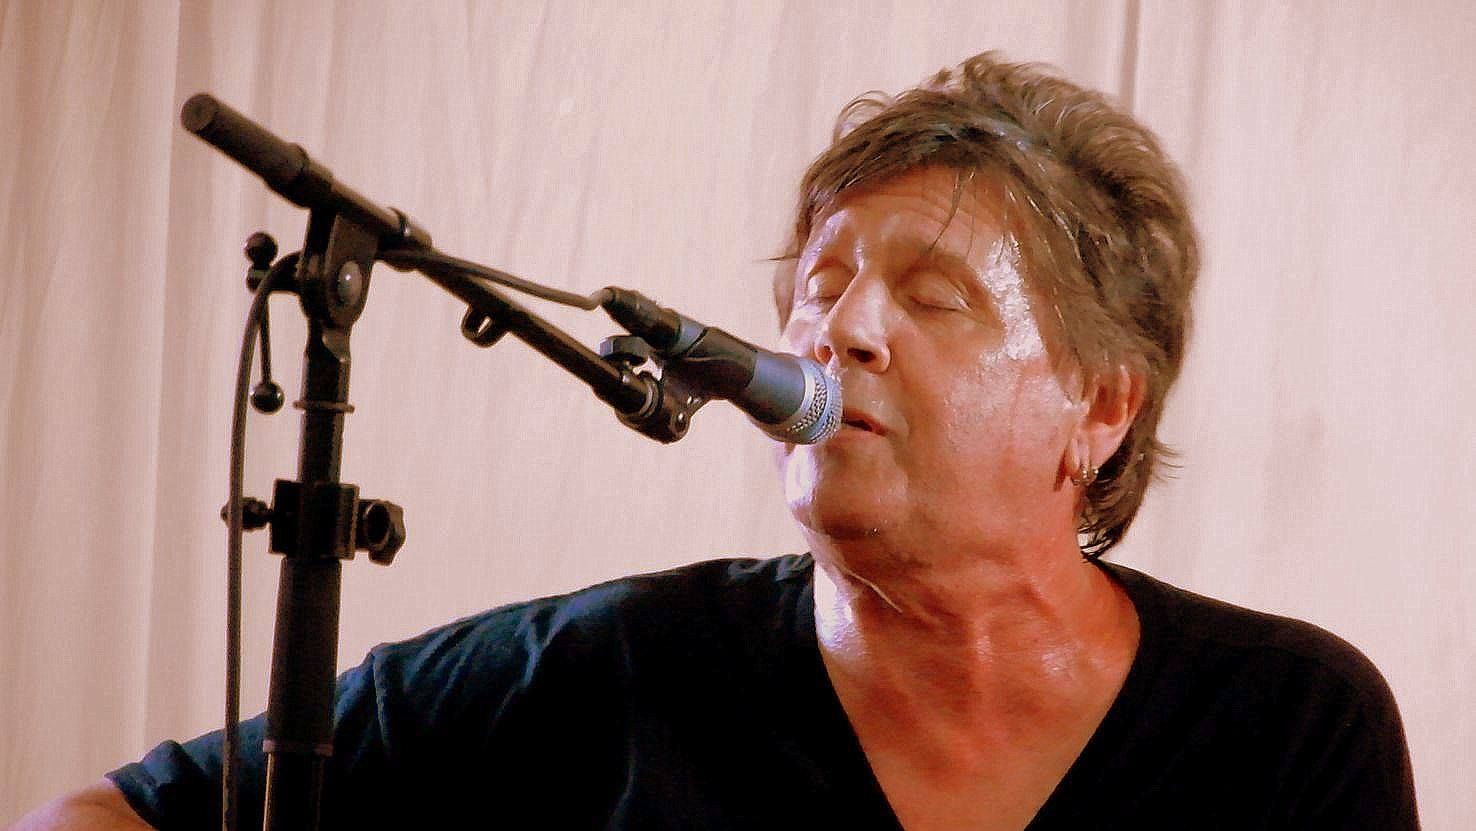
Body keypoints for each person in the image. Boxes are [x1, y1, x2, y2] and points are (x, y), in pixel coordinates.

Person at [13, 51, 1417, 830]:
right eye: (822, 287)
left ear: (1102, 406)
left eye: (934, 298)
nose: (843, 331)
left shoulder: (1285, 726)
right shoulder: (606, 671)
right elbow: (101, 820)